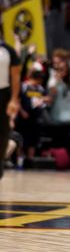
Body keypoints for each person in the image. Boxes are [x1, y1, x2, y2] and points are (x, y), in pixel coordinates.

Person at [0, 38, 21, 179]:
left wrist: (14, 99)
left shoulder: (8, 51)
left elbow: (15, 77)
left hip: (3, 95)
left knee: (2, 135)